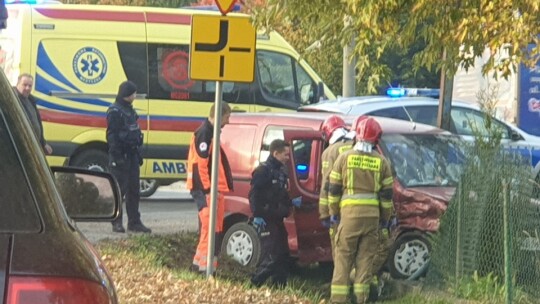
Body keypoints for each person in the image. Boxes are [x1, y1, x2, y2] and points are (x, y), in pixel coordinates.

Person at [327, 117, 394, 304]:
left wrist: (334, 213)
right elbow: (387, 197)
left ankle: (338, 300)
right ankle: (361, 299)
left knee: (342, 260)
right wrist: (385, 220)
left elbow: (333, 190)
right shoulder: (382, 162)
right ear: (376, 139)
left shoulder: (343, 158)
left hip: (348, 218)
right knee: (365, 262)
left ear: (356, 135)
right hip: (372, 220)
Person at [187, 102, 233, 274]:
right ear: (219, 115)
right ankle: (204, 269)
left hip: (212, 190)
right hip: (206, 191)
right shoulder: (205, 134)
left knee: (214, 230)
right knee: (210, 229)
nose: (228, 121)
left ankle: (202, 267)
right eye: (227, 117)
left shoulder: (210, 133)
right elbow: (201, 164)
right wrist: (207, 190)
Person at [106, 80, 151, 233]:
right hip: (120, 156)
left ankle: (134, 222)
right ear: (127, 94)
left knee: (134, 190)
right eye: (133, 93)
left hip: (131, 155)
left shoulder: (129, 110)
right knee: (120, 190)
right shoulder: (115, 111)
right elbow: (112, 136)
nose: (135, 96)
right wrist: (117, 157)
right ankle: (116, 222)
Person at [249, 139, 293, 288]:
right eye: (285, 155)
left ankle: (278, 288)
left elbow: (282, 194)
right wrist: (257, 215)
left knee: (283, 255)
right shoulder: (263, 171)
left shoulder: (282, 171)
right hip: (266, 219)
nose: (288, 158)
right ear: (276, 153)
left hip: (277, 218)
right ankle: (254, 284)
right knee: (271, 256)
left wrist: (290, 204)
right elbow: (254, 194)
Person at [319, 115, 360, 257]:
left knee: (340, 250)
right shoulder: (355, 146)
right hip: (360, 207)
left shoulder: (329, 152)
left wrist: (325, 213)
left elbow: (327, 183)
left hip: (338, 207)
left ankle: (342, 278)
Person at [13, 73, 52, 155]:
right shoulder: (13, 99)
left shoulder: (30, 99)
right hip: (19, 147)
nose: (27, 88)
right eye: (24, 85)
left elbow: (37, 122)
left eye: (30, 86)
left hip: (32, 145)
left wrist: (43, 143)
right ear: (18, 84)